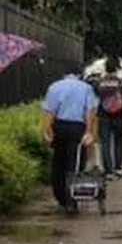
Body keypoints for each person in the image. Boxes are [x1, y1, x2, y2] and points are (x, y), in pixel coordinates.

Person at [40, 64, 98, 215]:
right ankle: (71, 200)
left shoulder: (54, 87)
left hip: (59, 126)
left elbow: (49, 112)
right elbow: (89, 112)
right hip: (77, 128)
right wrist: (89, 132)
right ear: (80, 75)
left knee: (58, 162)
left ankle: (60, 197)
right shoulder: (86, 88)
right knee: (76, 163)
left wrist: (47, 131)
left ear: (64, 74)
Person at [94, 58, 122, 179]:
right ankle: (118, 168)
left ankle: (108, 171)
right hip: (118, 116)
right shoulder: (121, 83)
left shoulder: (99, 83)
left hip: (104, 116)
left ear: (105, 68)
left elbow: (95, 101)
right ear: (116, 69)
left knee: (105, 143)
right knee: (118, 142)